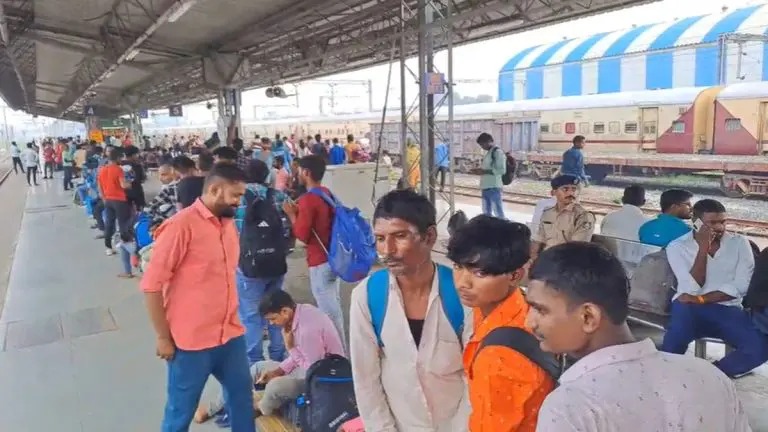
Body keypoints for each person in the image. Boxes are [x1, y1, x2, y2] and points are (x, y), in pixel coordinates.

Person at [525, 242, 753, 432]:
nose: (530, 322)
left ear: (588, 317)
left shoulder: (571, 405)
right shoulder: (708, 376)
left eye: (540, 310)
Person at [140, 163, 255, 432]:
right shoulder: (181, 227)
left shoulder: (227, 225)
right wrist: (163, 337)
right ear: (214, 190)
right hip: (191, 343)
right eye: (235, 195)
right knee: (181, 411)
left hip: (230, 334)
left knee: (241, 398)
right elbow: (151, 286)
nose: (239, 202)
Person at [349, 189, 470, 431]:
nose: (387, 250)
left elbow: (475, 378)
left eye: (400, 236)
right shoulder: (367, 296)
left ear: (429, 236)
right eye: (380, 239)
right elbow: (366, 380)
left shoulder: (462, 294)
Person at [447, 215, 554, 431]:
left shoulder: (499, 358)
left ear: (515, 276)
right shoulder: (514, 307)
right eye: (458, 267)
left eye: (480, 272)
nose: (462, 283)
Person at [195, 290, 345, 423]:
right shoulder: (299, 314)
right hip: (310, 369)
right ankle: (213, 407)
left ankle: (259, 409)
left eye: (273, 319)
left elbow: (313, 371)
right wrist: (278, 371)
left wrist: (290, 348)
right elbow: (302, 357)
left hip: (322, 381)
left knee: (275, 386)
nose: (272, 324)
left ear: (285, 311)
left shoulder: (307, 331)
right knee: (258, 368)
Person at [662, 199, 768, 378]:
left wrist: (701, 299)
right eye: (712, 223)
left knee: (759, 348)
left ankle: (711, 376)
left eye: (723, 222)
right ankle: (667, 375)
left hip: (728, 309)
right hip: (688, 308)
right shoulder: (677, 247)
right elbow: (690, 288)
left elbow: (742, 285)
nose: (719, 227)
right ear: (696, 223)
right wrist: (703, 249)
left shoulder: (739, 243)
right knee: (673, 343)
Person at [283, 155, 345, 344]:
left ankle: (338, 355)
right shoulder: (327, 193)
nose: (297, 174)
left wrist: (292, 215)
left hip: (319, 260)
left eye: (299, 170)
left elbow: (302, 234)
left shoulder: (309, 200)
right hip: (335, 257)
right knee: (335, 306)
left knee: (328, 312)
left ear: (306, 173)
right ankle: (340, 350)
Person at [234, 159, 290, 364]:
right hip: (276, 263)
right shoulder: (278, 196)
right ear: (267, 175)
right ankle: (278, 357)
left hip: (249, 266)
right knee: (275, 310)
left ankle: (255, 362)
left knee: (250, 316)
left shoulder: (238, 199)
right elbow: (291, 224)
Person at [530, 175, 595, 261]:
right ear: (553, 193)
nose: (571, 193)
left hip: (566, 262)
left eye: (574, 189)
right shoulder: (548, 213)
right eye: (565, 189)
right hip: (546, 259)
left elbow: (576, 248)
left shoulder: (583, 216)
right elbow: (538, 240)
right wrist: (532, 259)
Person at [97, 147, 133, 256]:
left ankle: (108, 248)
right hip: (119, 200)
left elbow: (100, 187)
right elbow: (123, 184)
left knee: (109, 224)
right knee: (123, 223)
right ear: (118, 158)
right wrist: (130, 183)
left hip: (108, 200)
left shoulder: (102, 169)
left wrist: (104, 199)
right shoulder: (118, 169)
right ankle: (125, 245)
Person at [476, 132, 506, 219]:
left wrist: (484, 172)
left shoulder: (497, 152)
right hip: (486, 186)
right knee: (486, 212)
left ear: (489, 141)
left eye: (482, 144)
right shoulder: (489, 152)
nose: (482, 147)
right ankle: (488, 229)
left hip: (494, 186)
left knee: (498, 212)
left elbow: (502, 170)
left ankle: (502, 228)